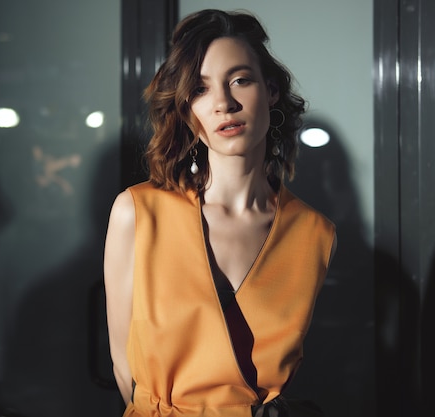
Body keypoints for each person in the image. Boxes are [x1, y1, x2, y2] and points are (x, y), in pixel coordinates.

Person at [104, 9, 337, 417]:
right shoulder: (139, 213)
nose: (224, 104)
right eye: (200, 89)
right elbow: (124, 370)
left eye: (240, 80)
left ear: (271, 90)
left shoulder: (314, 233)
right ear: (185, 107)